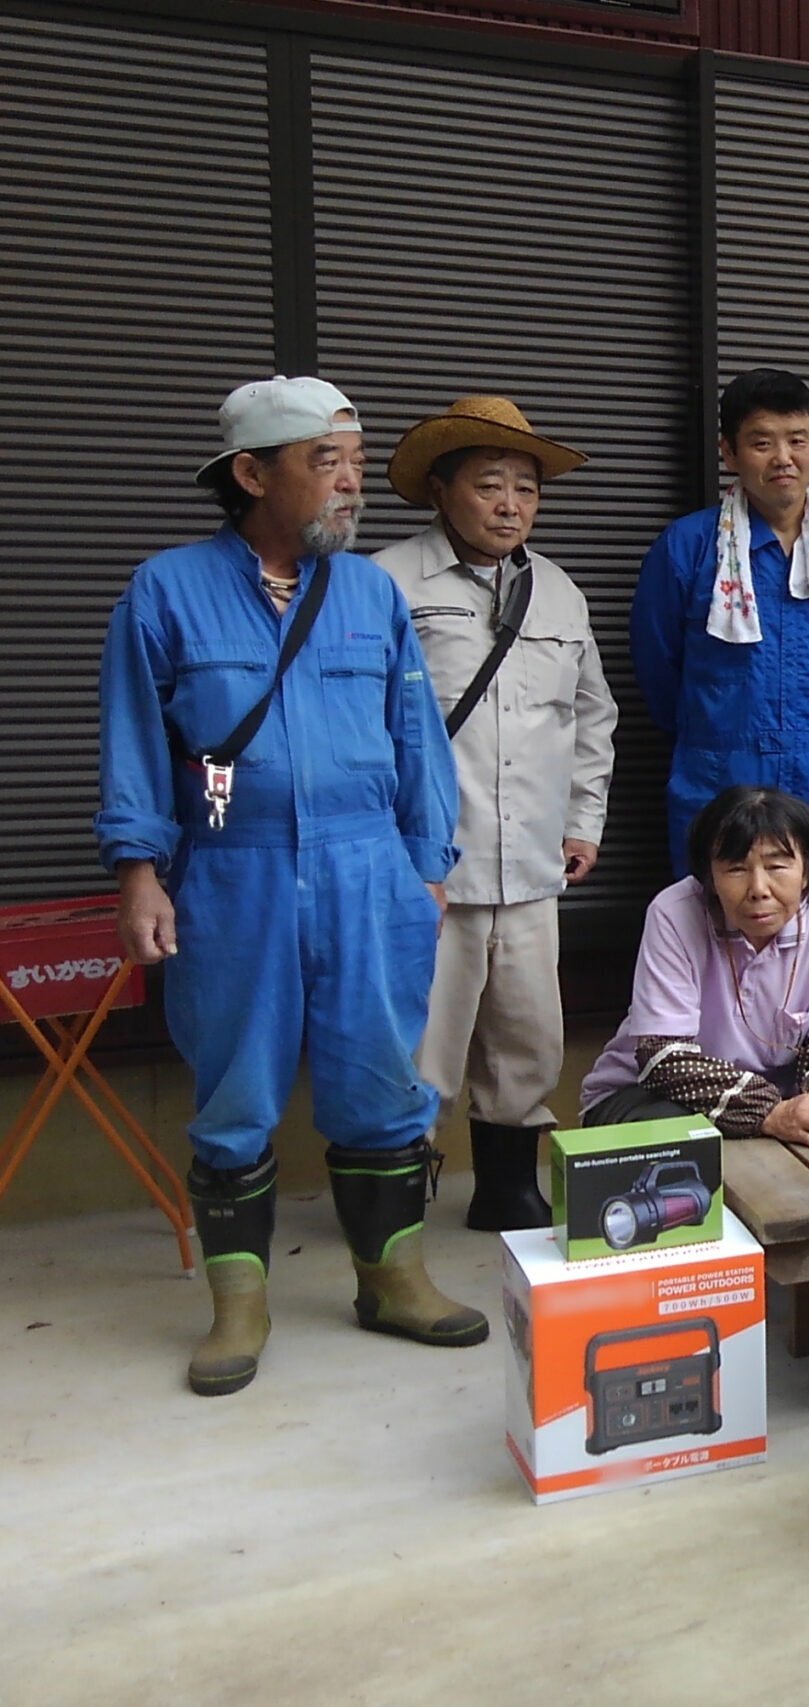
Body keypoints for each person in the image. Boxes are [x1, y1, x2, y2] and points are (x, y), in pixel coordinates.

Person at [97, 375, 484, 1397]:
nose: (353, 483)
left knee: (381, 1084)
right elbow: (136, 742)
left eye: (356, 460)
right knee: (235, 1092)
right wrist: (141, 873)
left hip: (370, 873)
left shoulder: (367, 595)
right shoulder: (165, 590)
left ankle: (391, 1278)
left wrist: (425, 866)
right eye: (329, 462)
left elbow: (417, 743)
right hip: (233, 873)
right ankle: (239, 1306)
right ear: (251, 473)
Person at [374, 396, 617, 1231]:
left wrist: (584, 820)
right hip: (428, 865)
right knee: (424, 1039)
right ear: (440, 491)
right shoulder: (386, 583)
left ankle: (509, 1184)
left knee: (527, 1032)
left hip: (531, 865)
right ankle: (394, 1192)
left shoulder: (559, 593)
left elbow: (591, 717)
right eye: (489, 485)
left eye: (526, 488)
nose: (511, 504)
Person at [631, 368, 809, 905]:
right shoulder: (688, 548)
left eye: (797, 440)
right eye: (761, 442)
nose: (783, 458)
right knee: (715, 946)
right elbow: (658, 671)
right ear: (729, 452)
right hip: (719, 781)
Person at [580, 787, 809, 1146]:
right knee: (691, 1142)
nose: (759, 889)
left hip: (780, 1106)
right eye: (735, 869)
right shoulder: (674, 913)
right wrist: (770, 1113)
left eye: (778, 866)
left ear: (807, 870)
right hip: (647, 1097)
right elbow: (663, 1056)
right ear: (709, 878)